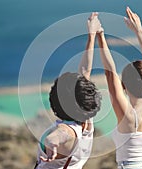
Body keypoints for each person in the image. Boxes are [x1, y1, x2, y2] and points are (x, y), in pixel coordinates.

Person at [96, 7, 142, 169]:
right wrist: (139, 31)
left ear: (124, 86)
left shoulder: (129, 117)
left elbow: (110, 74)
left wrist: (100, 36)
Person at [34, 12, 102, 169]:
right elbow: (85, 71)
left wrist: (52, 143)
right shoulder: (86, 124)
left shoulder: (69, 130)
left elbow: (60, 134)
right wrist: (92, 36)